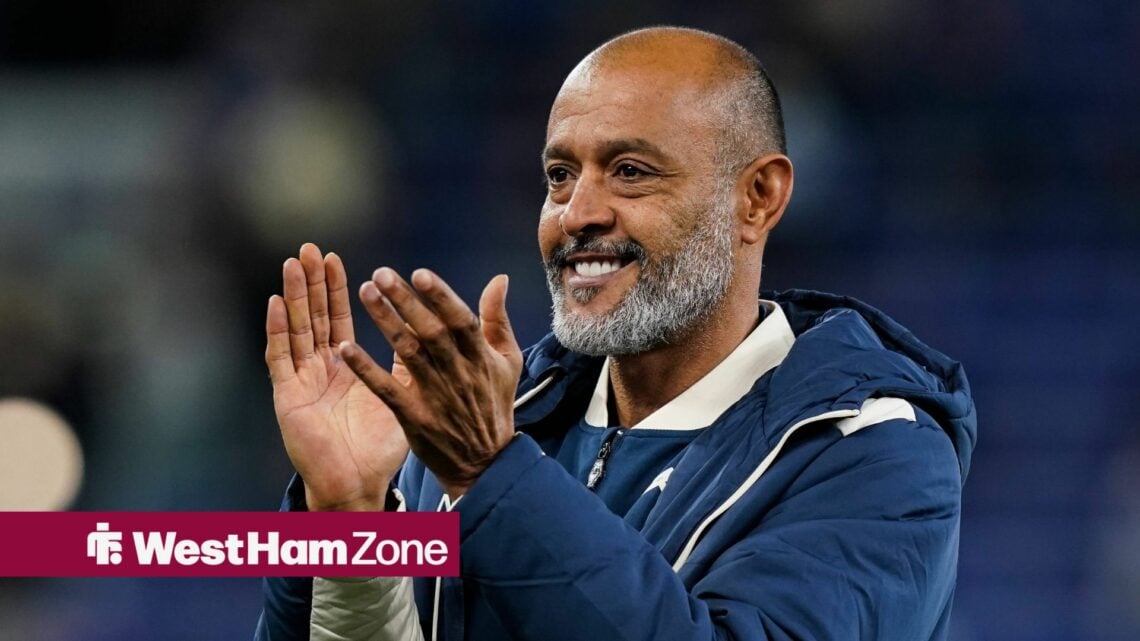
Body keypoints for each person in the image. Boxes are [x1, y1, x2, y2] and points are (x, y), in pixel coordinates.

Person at [254, 26, 976, 641]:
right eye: (560, 175)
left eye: (630, 172)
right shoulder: (480, 424)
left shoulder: (875, 452)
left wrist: (494, 478)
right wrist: (347, 520)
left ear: (758, 197)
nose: (577, 213)